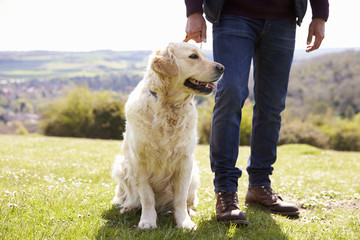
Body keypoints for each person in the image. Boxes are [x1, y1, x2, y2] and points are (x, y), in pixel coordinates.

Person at [184, 0, 329, 225]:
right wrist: (194, 11)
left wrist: (320, 15)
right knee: (230, 94)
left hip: (284, 18)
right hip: (232, 14)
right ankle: (226, 191)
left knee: (272, 105)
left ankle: (260, 187)